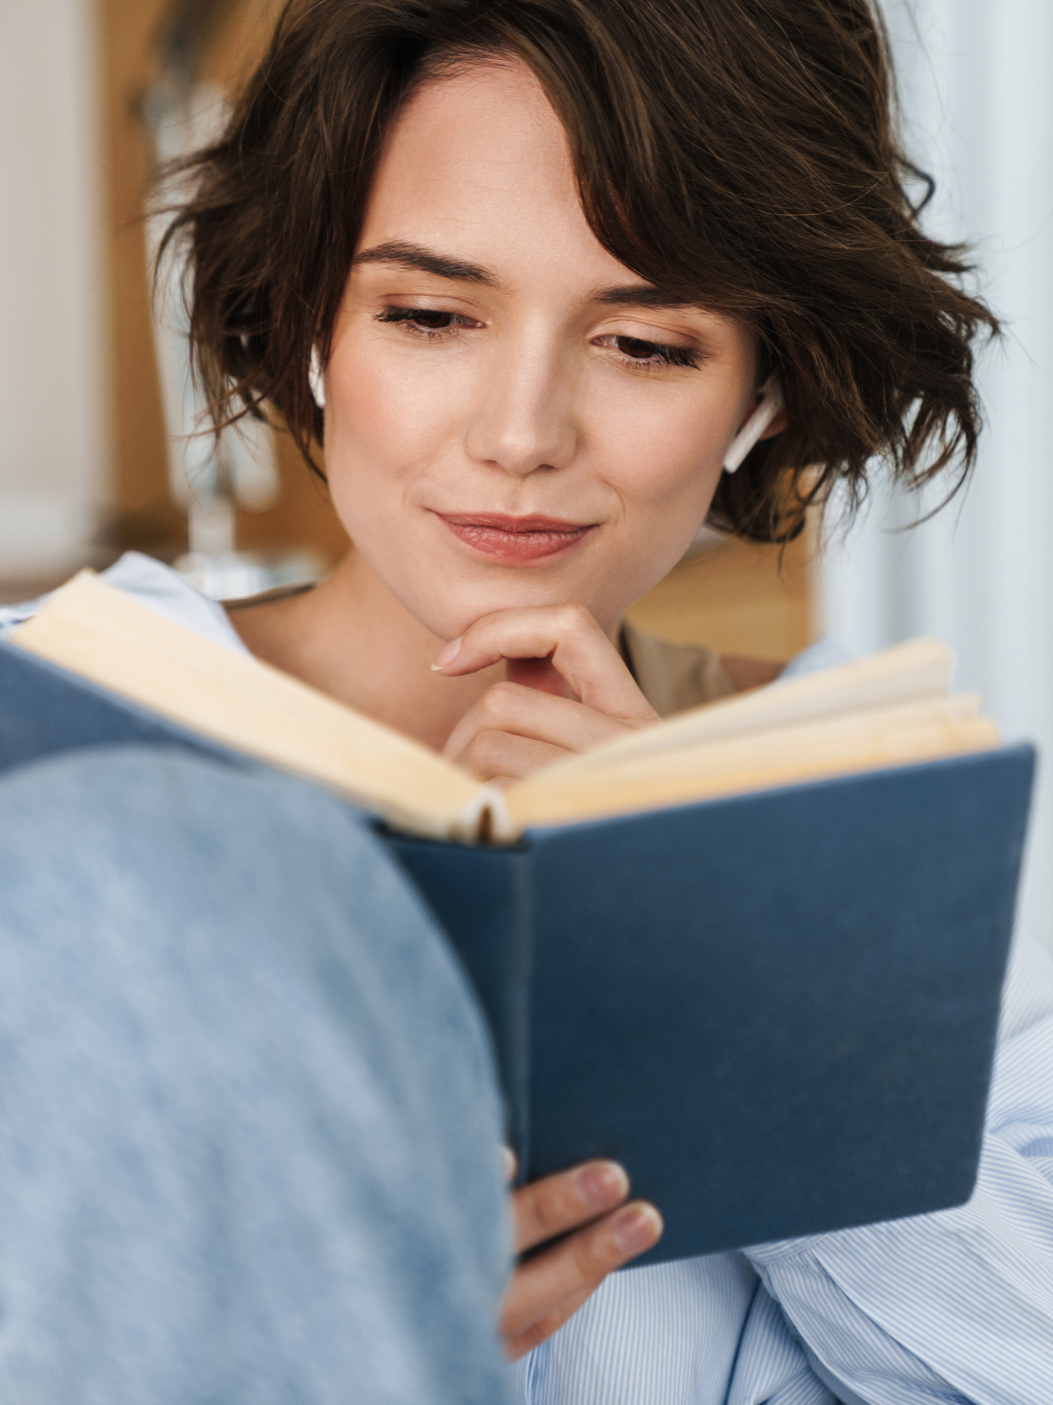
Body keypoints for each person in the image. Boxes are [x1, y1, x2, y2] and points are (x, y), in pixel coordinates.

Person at [3, 0, 1052, 1399]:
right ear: (316, 321)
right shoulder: (55, 719)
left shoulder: (904, 833)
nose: (518, 434)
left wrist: (735, 963)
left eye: (647, 345)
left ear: (772, 387)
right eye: (430, 314)